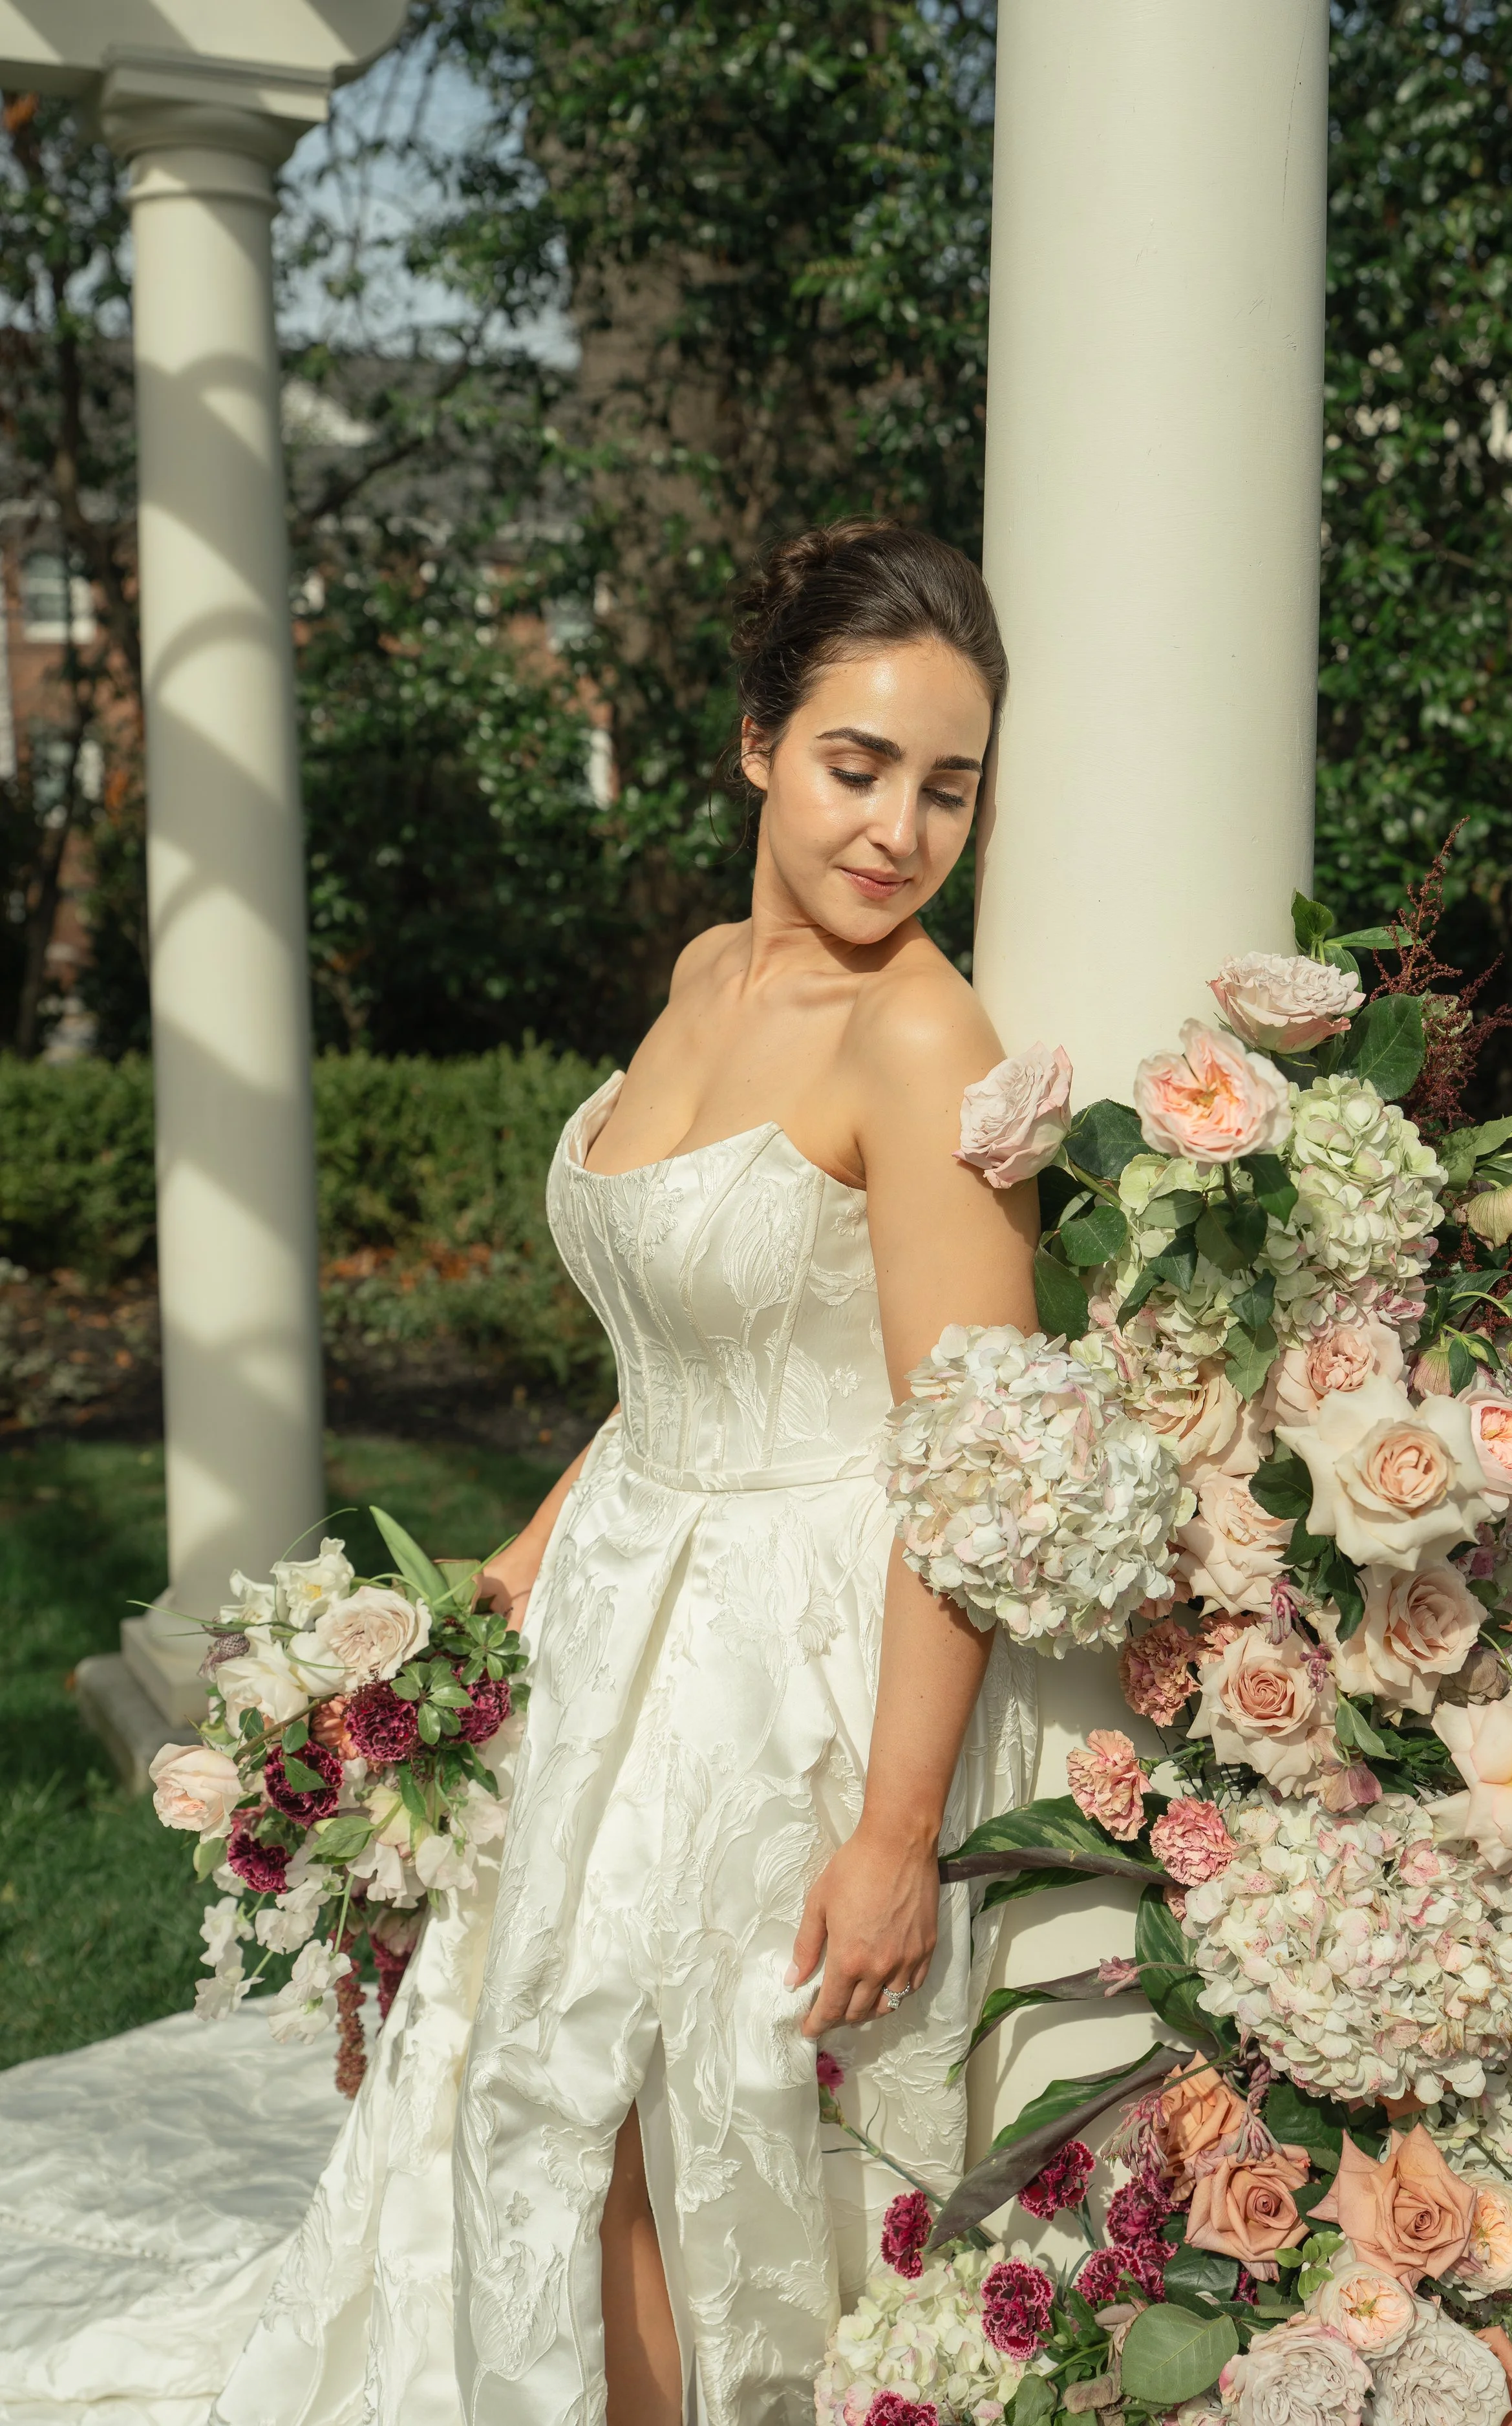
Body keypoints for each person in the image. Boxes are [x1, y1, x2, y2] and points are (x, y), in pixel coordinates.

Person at [0, 520, 1036, 2426]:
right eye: (855, 765)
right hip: (620, 1606)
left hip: (796, 1646)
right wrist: (498, 1575)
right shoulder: (707, 970)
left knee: (680, 2116)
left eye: (946, 787)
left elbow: (968, 1475)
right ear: (752, 745)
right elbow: (675, 1375)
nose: (897, 829)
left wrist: (893, 1835)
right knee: (539, 2082)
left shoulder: (922, 1037)